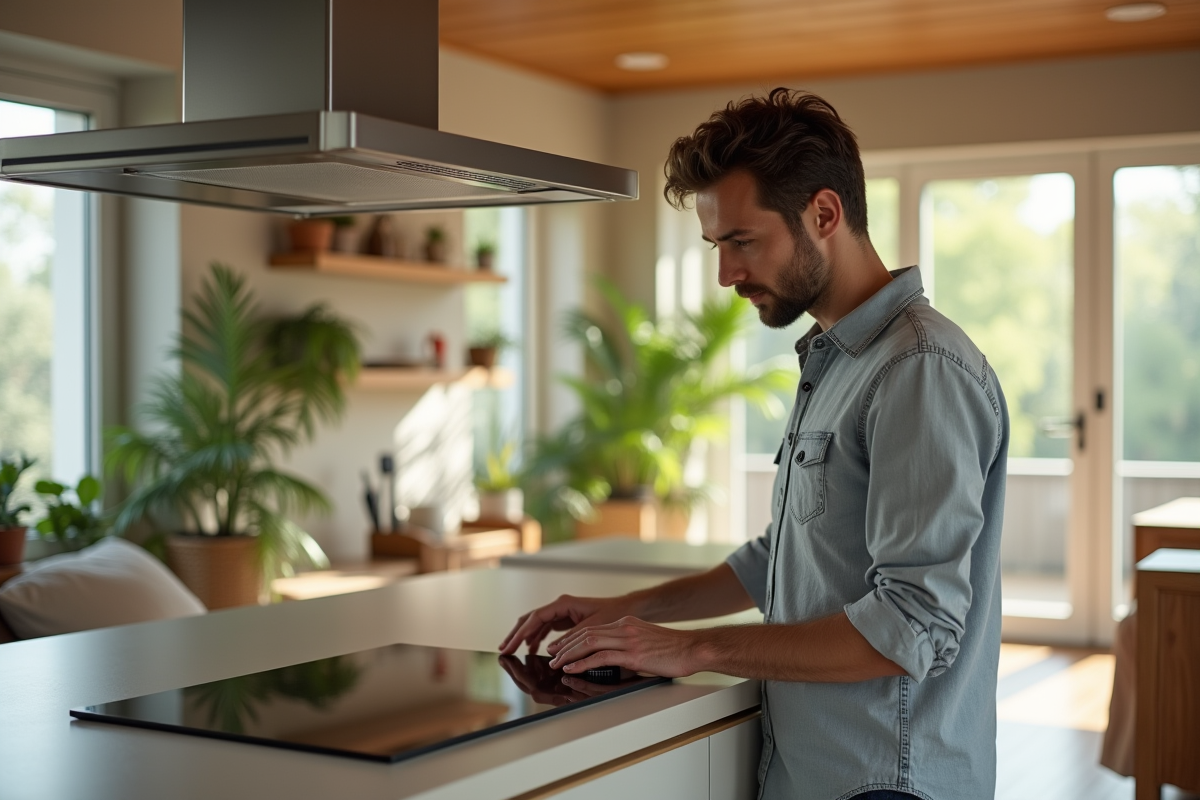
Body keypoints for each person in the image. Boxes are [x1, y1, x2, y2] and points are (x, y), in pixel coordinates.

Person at [500, 88, 1010, 800]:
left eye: (742, 242)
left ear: (824, 214)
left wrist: (692, 647)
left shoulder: (918, 369)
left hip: (884, 783)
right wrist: (628, 611)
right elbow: (784, 557)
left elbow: (912, 624)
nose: (726, 274)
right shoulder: (840, 360)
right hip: (820, 771)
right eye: (717, 246)